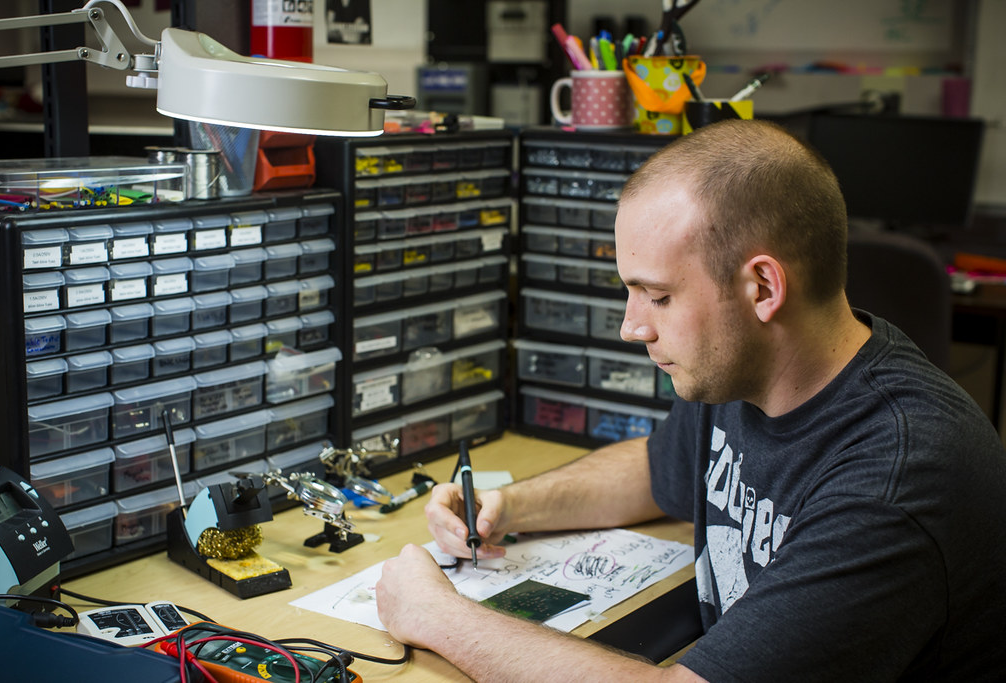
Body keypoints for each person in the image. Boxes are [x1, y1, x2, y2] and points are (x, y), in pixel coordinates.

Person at [375, 119, 1006, 681]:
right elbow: (660, 470)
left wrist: (436, 616)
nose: (632, 327)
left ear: (763, 286)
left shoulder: (899, 478)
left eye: (658, 295)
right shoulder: (747, 373)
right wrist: (505, 505)